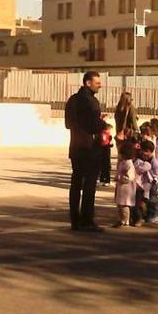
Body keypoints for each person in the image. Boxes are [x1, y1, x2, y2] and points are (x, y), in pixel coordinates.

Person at [65, 72, 106, 232]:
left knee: (75, 184)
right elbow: (93, 125)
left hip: (75, 147)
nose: (99, 85)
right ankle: (87, 220)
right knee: (89, 186)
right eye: (97, 82)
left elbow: (68, 124)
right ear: (88, 83)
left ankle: (75, 220)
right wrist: (104, 125)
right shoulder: (91, 101)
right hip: (90, 148)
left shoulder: (72, 100)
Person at [113, 142, 137, 228]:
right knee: (120, 204)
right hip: (121, 187)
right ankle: (121, 219)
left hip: (127, 188)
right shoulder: (123, 163)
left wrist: (120, 178)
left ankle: (125, 220)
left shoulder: (129, 164)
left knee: (125, 205)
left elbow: (129, 177)